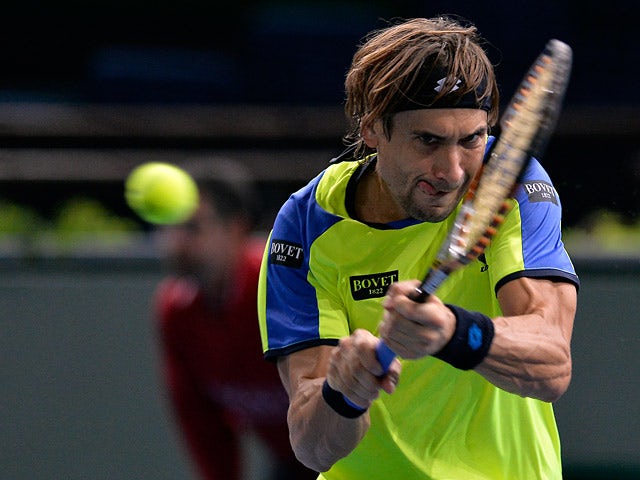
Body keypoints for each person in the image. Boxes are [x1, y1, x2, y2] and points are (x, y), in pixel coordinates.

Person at [258, 17, 579, 480]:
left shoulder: (507, 183)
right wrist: (343, 390)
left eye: (471, 139)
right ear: (372, 129)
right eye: (427, 140)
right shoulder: (307, 225)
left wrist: (452, 332)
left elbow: (551, 363)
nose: (451, 170)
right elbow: (312, 447)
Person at [152, 161, 316, 480]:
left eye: (193, 228)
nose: (176, 243)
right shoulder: (174, 312)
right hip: (293, 462)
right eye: (169, 226)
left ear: (235, 228)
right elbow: (201, 423)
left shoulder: (283, 285)